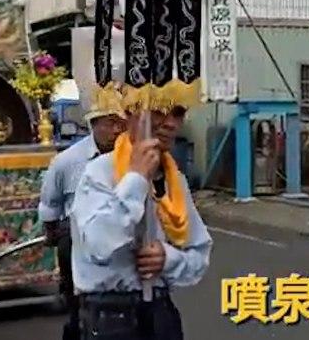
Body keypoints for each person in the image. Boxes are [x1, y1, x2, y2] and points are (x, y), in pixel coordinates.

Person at [70, 102, 212, 340]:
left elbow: (199, 255)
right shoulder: (100, 173)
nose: (169, 123)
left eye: (177, 113)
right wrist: (136, 179)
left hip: (159, 313)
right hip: (110, 317)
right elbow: (98, 245)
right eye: (158, 112)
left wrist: (168, 259)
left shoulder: (175, 180)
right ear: (130, 115)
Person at [38, 107, 126, 340]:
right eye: (110, 123)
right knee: (79, 306)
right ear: (93, 125)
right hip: (77, 237)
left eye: (121, 124)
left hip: (122, 235)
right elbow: (50, 203)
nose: (116, 130)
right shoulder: (67, 161)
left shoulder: (135, 159)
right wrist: (52, 233)